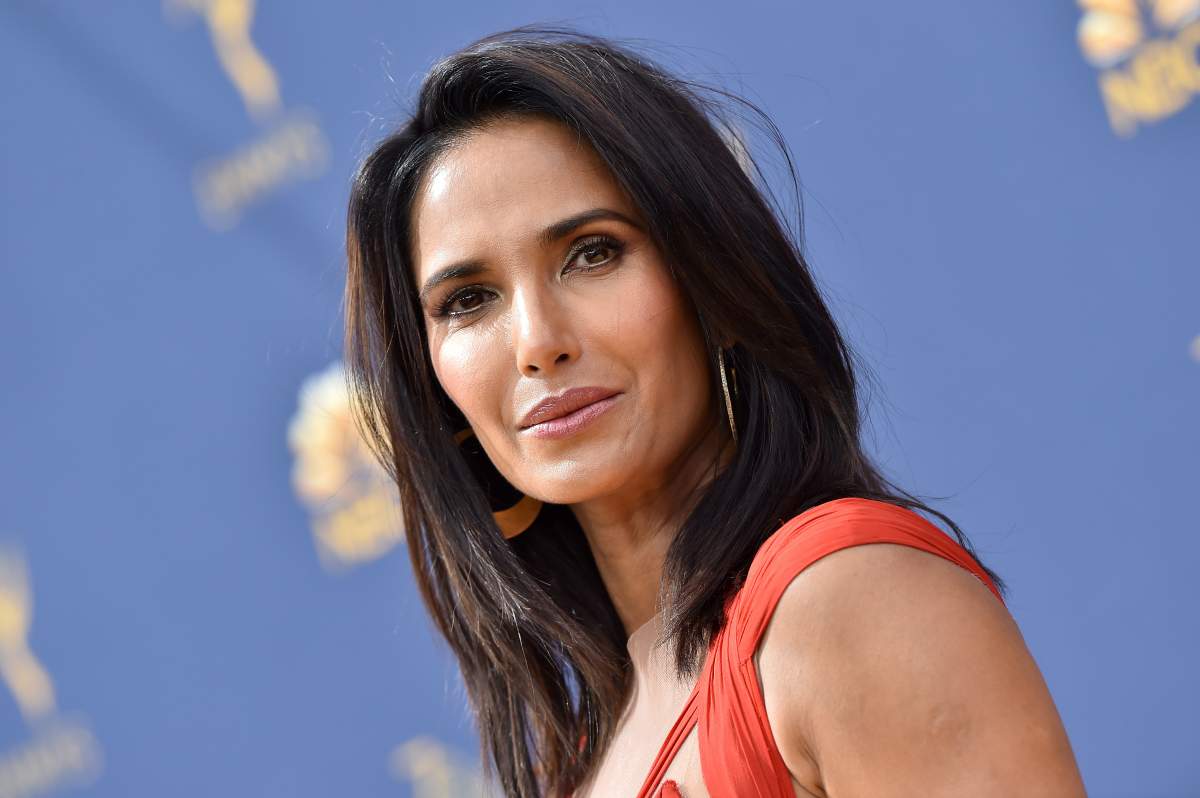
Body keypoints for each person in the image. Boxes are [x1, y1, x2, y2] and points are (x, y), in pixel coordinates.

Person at [342, 25, 1088, 798]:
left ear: (713, 280)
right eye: (468, 301)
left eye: (592, 252)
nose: (536, 342)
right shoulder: (582, 755)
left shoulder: (847, 603)